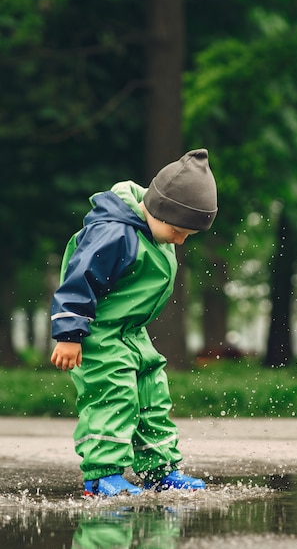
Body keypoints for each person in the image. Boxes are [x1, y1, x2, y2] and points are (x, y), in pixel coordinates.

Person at [50, 149, 217, 497]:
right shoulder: (113, 234)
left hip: (131, 334)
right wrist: (69, 334)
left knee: (152, 396)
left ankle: (159, 470)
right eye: (177, 230)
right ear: (159, 209)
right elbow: (80, 279)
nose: (180, 240)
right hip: (97, 335)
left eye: (188, 235)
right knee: (113, 396)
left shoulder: (154, 230)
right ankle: (102, 475)